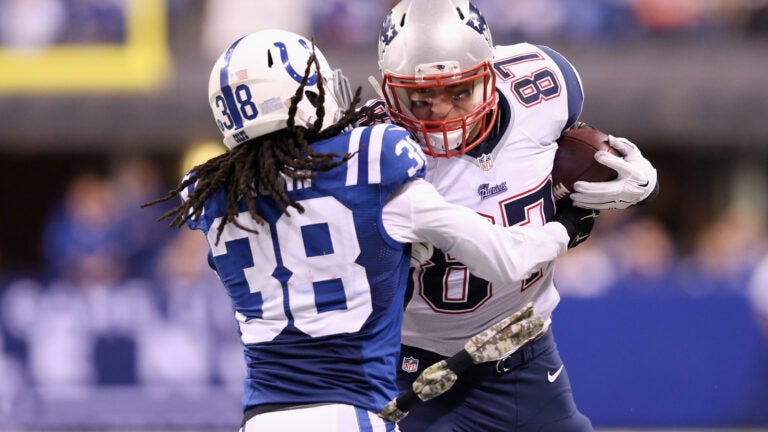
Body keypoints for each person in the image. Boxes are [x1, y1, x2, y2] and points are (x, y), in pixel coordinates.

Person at [143, 29, 596, 432]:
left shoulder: (215, 197)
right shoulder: (374, 162)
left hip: (262, 416)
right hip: (356, 412)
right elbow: (506, 258)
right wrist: (567, 223)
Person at [373, 1, 659, 431]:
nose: (442, 112)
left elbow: (571, 155)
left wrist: (624, 173)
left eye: (458, 91)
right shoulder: (375, 156)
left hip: (525, 347)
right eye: (421, 97)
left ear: (491, 74)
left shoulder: (546, 85)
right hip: (420, 368)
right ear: (393, 92)